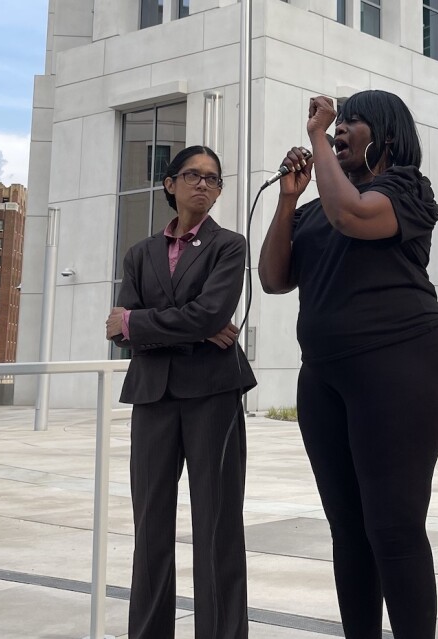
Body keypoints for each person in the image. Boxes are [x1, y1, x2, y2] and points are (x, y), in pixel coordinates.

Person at [258, 90, 438, 638]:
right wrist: (286, 200)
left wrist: (318, 136)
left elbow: (352, 216)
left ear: (386, 136)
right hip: (324, 372)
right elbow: (274, 279)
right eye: (336, 123)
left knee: (393, 526)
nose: (340, 129)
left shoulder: (406, 188)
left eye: (352, 122)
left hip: (400, 358)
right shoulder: (317, 205)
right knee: (347, 531)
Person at [106, 145, 255, 639]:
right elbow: (117, 329)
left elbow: (210, 313)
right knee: (150, 526)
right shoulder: (139, 254)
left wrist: (141, 322)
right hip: (153, 396)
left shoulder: (229, 246)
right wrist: (187, 326)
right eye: (193, 175)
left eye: (213, 179)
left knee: (217, 526)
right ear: (170, 184)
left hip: (213, 393)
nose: (204, 185)